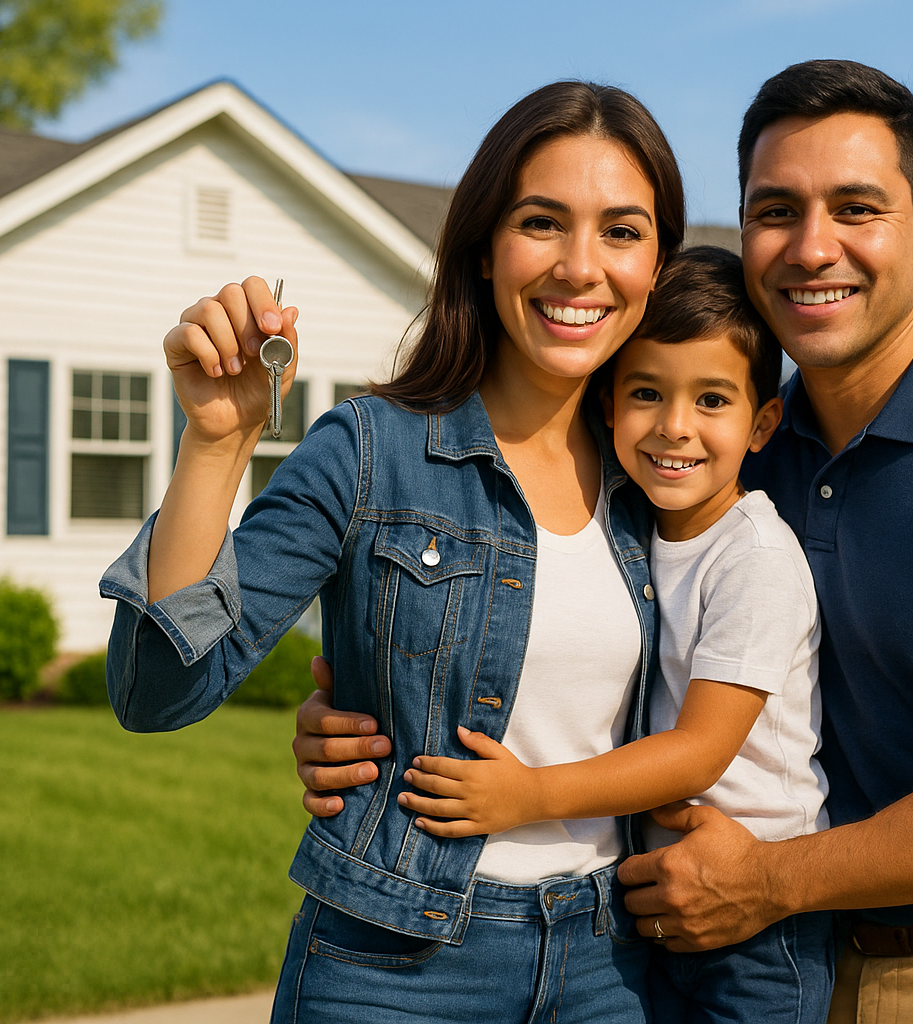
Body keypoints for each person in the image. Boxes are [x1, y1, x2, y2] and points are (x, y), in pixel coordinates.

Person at [295, 60, 913, 1024]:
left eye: (856, 208)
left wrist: (774, 881)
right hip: (741, 943)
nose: (813, 247)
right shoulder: (728, 453)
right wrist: (376, 723)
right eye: (777, 210)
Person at [99, 80, 688, 1023]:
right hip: (393, 970)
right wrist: (216, 442)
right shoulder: (371, 451)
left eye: (622, 231)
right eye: (542, 222)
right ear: (485, 248)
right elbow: (158, 693)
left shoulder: (668, 479)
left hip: (607, 967)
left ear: (657, 263)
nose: (582, 267)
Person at [397, 245, 835, 1024]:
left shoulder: (755, 555)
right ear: (608, 404)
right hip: (656, 907)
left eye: (711, 400)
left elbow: (699, 751)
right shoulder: (630, 528)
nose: (674, 428)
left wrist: (528, 796)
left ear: (763, 421)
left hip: (759, 929)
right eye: (646, 393)